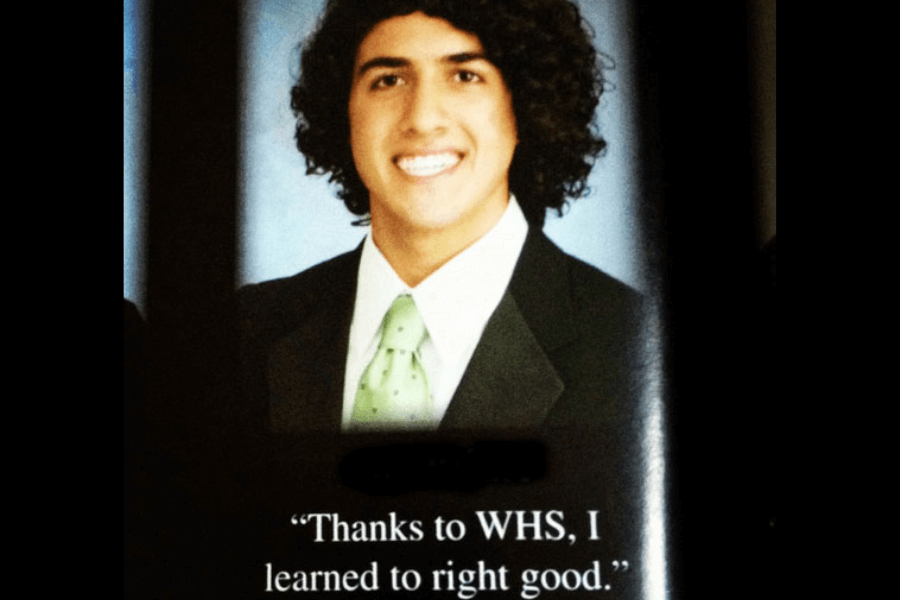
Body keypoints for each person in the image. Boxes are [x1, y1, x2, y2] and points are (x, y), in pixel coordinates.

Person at [238, 0, 643, 433]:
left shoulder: (631, 346)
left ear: (525, 104)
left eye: (465, 75)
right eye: (389, 79)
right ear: (345, 111)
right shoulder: (242, 332)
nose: (422, 118)